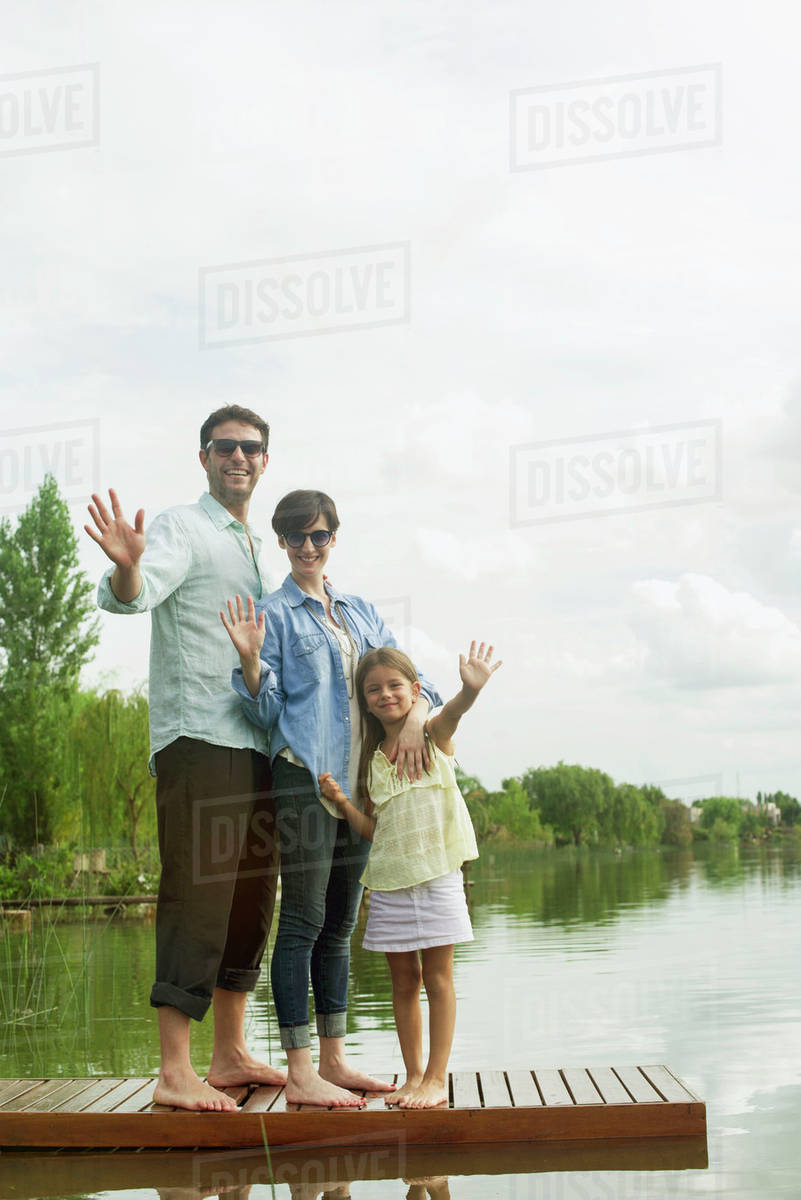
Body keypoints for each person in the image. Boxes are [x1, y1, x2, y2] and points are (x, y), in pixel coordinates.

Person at [85, 405, 285, 1112]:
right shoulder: (182, 527)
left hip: (258, 740)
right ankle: (175, 1069)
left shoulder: (257, 546)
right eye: (225, 447)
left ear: (266, 460)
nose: (239, 457)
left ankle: (229, 1055)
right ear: (204, 456)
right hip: (200, 737)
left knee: (249, 901)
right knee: (198, 897)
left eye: (251, 448)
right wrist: (129, 569)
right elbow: (130, 598)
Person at [222, 488, 442, 1107]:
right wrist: (248, 660)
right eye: (296, 538)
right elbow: (264, 709)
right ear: (283, 543)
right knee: (303, 920)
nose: (309, 548)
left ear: (333, 539)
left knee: (341, 924)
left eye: (320, 536)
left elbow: (410, 678)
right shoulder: (275, 614)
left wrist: (421, 716)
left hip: (361, 787)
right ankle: (299, 1071)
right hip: (304, 780)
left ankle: (335, 1059)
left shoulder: (361, 611)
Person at [318, 640, 501, 1109]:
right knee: (403, 982)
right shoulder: (374, 760)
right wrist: (343, 805)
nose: (385, 695)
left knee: (438, 978)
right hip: (390, 882)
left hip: (437, 874)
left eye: (395, 685)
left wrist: (469, 691)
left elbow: (453, 715)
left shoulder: (432, 735)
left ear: (415, 689)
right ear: (365, 700)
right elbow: (375, 830)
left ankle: (437, 1078)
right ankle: (414, 1076)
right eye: (374, 689)